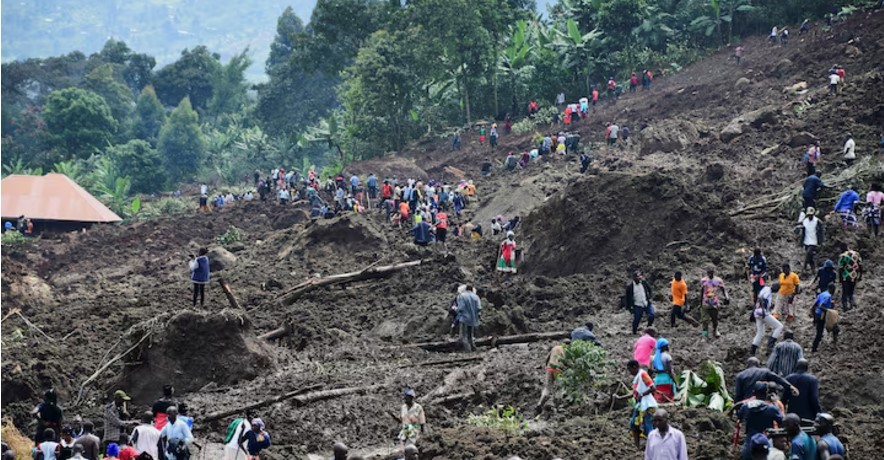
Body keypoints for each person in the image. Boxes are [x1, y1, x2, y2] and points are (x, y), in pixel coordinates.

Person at [736, 383, 783, 460]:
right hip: (766, 444)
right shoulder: (772, 409)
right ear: (766, 394)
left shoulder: (746, 407)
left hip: (750, 444)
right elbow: (781, 422)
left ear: (754, 393)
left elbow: (739, 418)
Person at [733, 357, 799, 403]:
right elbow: (778, 378)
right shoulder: (764, 372)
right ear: (758, 364)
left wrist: (737, 407)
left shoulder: (741, 375)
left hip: (747, 403)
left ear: (747, 365)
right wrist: (790, 386)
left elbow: (738, 394)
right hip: (763, 402)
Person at [628, 359, 658, 449]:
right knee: (633, 425)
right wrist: (619, 397)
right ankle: (636, 447)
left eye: (630, 369)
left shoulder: (643, 374)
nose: (630, 372)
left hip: (647, 405)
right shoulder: (637, 377)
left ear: (635, 367)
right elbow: (635, 393)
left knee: (648, 426)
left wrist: (642, 394)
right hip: (640, 405)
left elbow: (653, 388)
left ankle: (653, 448)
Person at [751, 282, 783, 355]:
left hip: (756, 312)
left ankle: (753, 350)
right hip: (762, 313)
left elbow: (760, 298)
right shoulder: (768, 292)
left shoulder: (765, 288)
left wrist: (768, 306)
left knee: (760, 332)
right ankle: (770, 346)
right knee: (779, 326)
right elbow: (763, 299)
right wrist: (764, 308)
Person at [536, 340, 567, 413]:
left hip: (550, 369)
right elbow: (567, 363)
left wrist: (546, 367)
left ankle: (540, 404)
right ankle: (558, 407)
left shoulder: (555, 348)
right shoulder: (567, 351)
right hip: (559, 370)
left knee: (547, 388)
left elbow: (547, 359)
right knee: (559, 388)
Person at [700, 267, 729, 338]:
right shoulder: (703, 280)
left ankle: (715, 330)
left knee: (715, 319)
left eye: (711, 273)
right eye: (709, 273)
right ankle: (704, 334)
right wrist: (700, 301)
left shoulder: (718, 280)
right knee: (704, 321)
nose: (710, 274)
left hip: (715, 303)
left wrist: (726, 297)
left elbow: (723, 289)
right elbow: (701, 291)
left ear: (713, 273)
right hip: (705, 302)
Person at [811, 284, 839, 352]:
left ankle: (814, 348)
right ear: (832, 289)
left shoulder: (822, 294)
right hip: (823, 316)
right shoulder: (828, 296)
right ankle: (834, 346)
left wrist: (814, 317)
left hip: (817, 315)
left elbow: (815, 304)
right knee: (835, 329)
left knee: (819, 332)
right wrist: (830, 311)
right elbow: (821, 306)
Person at [625, 270, 654, 335]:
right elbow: (627, 298)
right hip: (638, 305)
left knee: (651, 315)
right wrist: (629, 308)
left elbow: (649, 290)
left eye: (640, 276)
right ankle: (634, 331)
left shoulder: (644, 282)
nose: (640, 277)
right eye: (638, 276)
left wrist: (650, 297)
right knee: (636, 319)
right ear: (634, 278)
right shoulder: (630, 287)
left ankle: (648, 328)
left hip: (646, 303)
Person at [836, 242, 862, 310]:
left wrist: (840, 278)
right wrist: (860, 276)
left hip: (845, 276)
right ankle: (852, 305)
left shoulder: (843, 256)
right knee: (851, 292)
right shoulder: (856, 254)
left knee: (845, 292)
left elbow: (840, 268)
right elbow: (860, 265)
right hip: (854, 275)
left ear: (841, 248)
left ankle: (845, 307)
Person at [456, 284, 481, 352]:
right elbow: (479, 308)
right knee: (470, 335)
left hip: (464, 318)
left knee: (464, 336)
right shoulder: (476, 297)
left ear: (465, 289)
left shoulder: (461, 296)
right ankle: (474, 348)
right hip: (473, 319)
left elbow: (461, 308)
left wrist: (456, 310)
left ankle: (468, 350)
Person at [799, 208, 824, 272]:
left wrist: (821, 242)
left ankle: (804, 268)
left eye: (811, 215)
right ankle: (813, 270)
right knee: (810, 257)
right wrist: (801, 242)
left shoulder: (818, 221)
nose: (810, 216)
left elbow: (821, 233)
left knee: (808, 253)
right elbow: (803, 231)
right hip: (806, 241)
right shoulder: (805, 221)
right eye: (809, 215)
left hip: (814, 241)